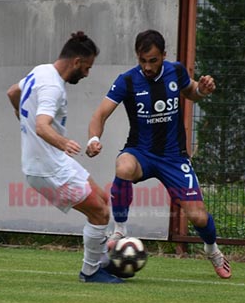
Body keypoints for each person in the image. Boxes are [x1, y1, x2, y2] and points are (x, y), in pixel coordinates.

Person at [86, 29, 232, 279]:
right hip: (140, 153)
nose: (147, 67)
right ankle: (120, 230)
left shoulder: (176, 71)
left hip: (174, 158)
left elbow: (191, 92)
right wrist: (94, 139)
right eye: (142, 60)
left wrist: (201, 90)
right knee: (123, 166)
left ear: (164, 55)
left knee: (198, 216)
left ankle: (212, 250)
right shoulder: (127, 80)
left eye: (153, 60)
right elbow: (100, 115)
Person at [7, 31, 123, 283]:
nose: (87, 74)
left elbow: (12, 91)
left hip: (52, 162)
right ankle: (91, 272)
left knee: (103, 199)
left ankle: (103, 262)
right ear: (77, 62)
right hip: (47, 168)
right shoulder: (52, 86)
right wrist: (64, 142)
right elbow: (42, 126)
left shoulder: (41, 71)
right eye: (87, 68)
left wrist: (19, 113)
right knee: (100, 213)